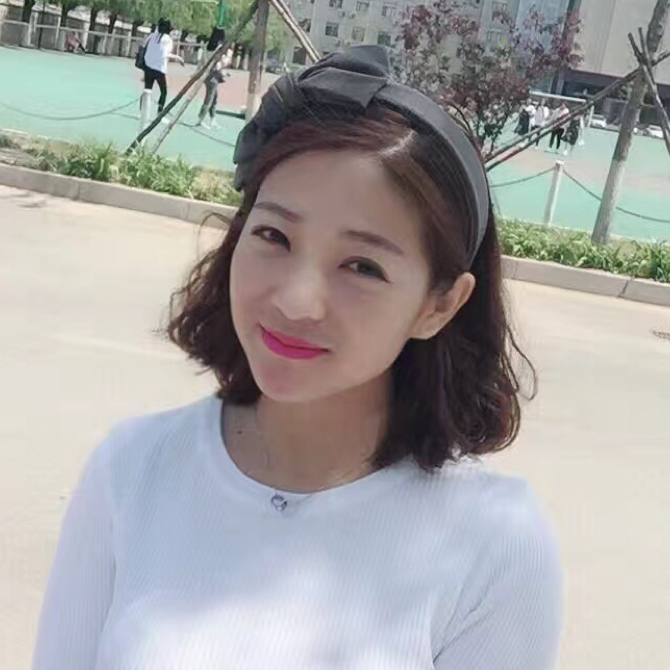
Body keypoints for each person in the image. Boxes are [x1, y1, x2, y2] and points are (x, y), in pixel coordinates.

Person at [31, 46, 562, 670]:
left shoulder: (495, 543)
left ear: (440, 305)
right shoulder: (132, 470)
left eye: (362, 266)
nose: (296, 300)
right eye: (274, 236)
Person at [141, 18, 184, 115]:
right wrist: (178, 58)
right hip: (159, 69)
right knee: (164, 92)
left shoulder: (152, 36)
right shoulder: (167, 39)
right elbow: (165, 54)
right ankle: (159, 113)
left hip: (148, 67)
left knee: (147, 90)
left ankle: (142, 112)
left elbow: (143, 46)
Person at [196, 58, 229, 129]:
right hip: (212, 78)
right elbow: (217, 67)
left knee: (214, 98)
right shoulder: (218, 57)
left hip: (212, 78)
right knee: (209, 99)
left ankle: (212, 119)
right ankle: (200, 119)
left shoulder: (218, 57)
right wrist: (222, 70)